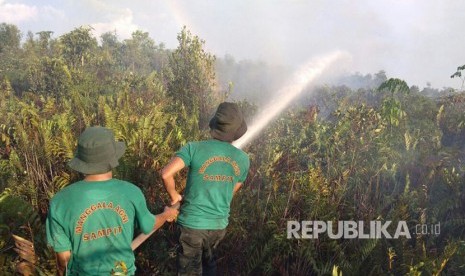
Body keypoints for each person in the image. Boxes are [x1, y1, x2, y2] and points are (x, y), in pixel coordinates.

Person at [46, 126, 178, 275]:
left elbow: (63, 259)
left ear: (81, 161)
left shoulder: (59, 202)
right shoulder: (131, 192)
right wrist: (167, 215)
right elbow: (148, 225)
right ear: (113, 157)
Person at [161, 102, 250, 275]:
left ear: (215, 126)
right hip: (218, 227)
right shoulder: (243, 159)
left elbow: (166, 174)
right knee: (208, 265)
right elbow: (234, 187)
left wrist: (174, 195)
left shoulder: (194, 148)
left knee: (190, 271)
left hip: (192, 226)